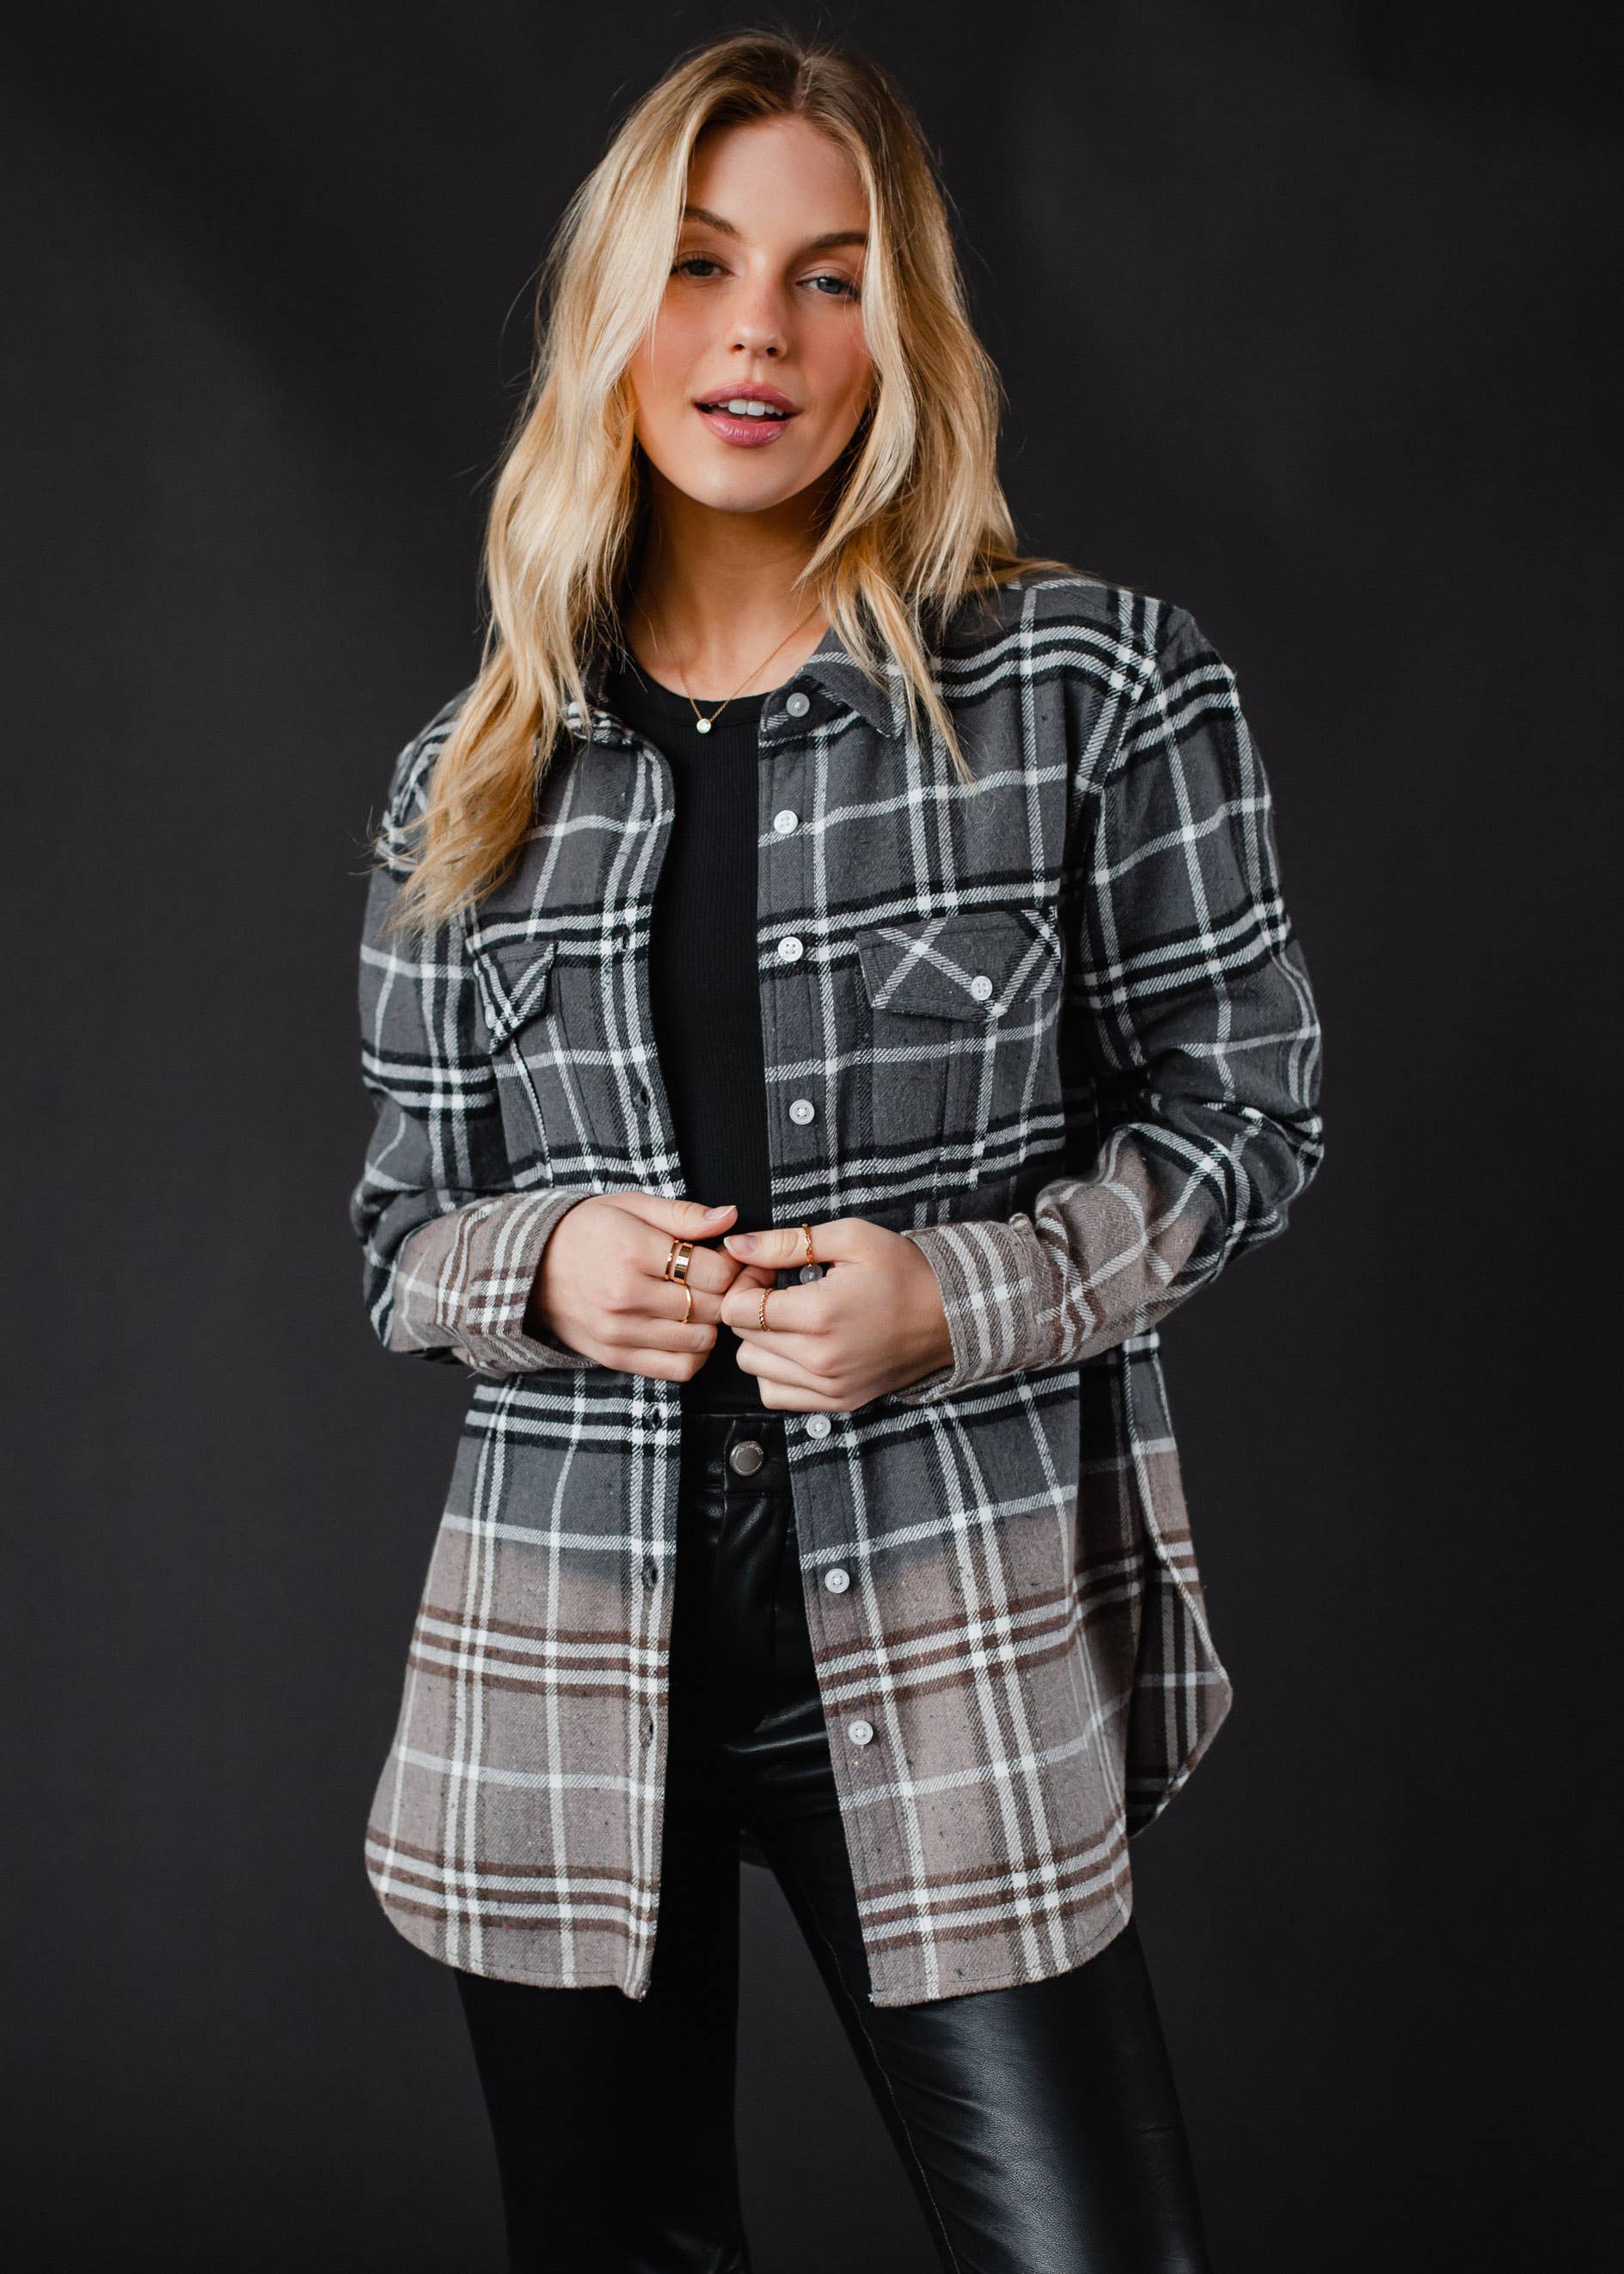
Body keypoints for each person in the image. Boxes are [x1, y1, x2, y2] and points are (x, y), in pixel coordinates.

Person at [348, 28, 1325, 2274]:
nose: (757, 336)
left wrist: (955, 1301)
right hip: (560, 1667)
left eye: (828, 274)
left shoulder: (1090, 688)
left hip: (944, 1642)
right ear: (615, 312)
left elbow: (1248, 1110)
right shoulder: (470, 773)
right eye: (698, 267)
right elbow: (398, 1229)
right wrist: (547, 1268)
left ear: (904, 327)